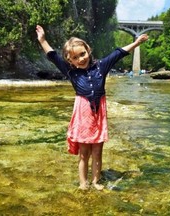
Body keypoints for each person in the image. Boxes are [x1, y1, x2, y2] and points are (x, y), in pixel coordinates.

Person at [36, 25, 148, 190]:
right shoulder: (71, 72)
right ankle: (83, 183)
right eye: (75, 57)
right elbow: (53, 56)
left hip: (99, 116)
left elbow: (118, 54)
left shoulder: (101, 67)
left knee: (97, 151)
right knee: (84, 153)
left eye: (83, 54)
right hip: (83, 115)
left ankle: (95, 181)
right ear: (70, 60)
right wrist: (43, 40)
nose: (80, 59)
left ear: (88, 50)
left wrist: (136, 42)